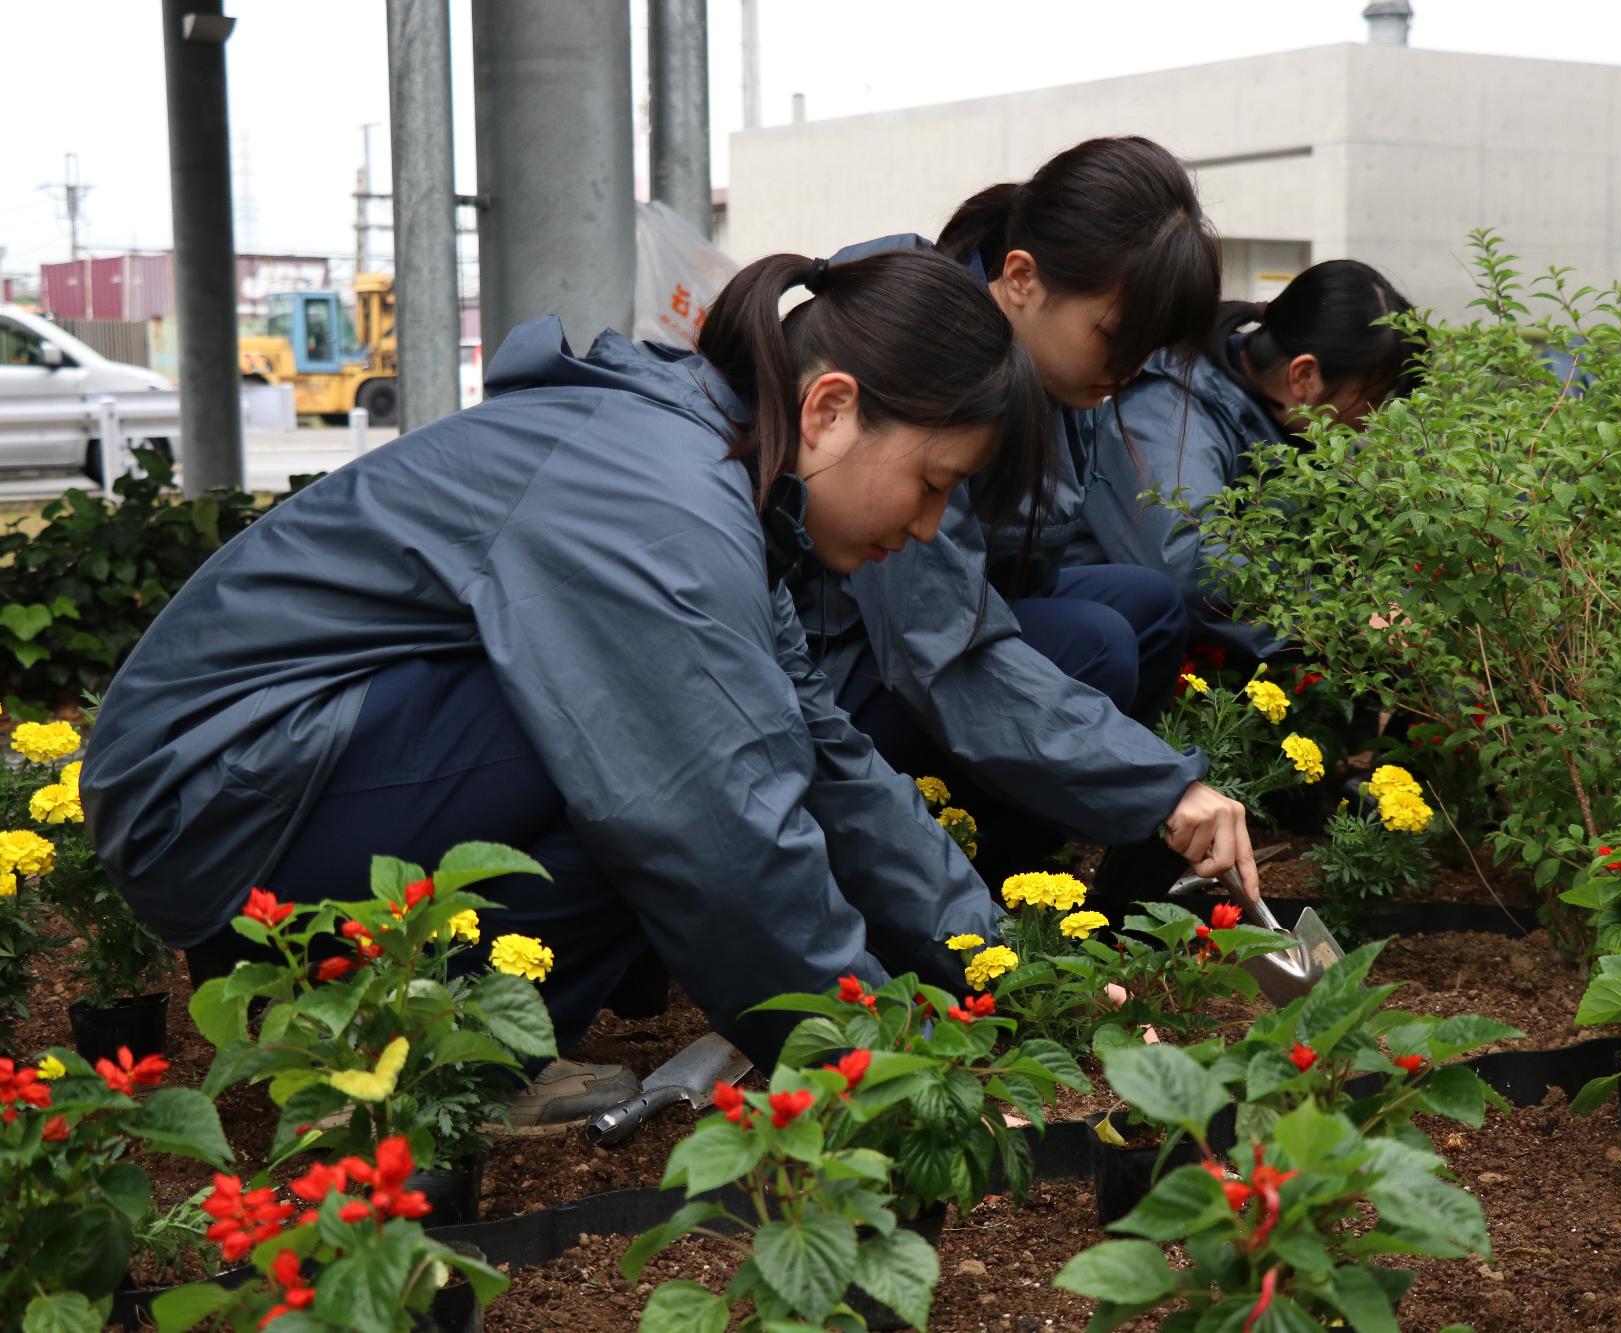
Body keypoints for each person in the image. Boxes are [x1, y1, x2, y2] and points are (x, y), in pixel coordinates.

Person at [80, 248, 1050, 1123]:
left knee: (711, 746)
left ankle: (442, 1055)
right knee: (664, 774)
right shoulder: (663, 498)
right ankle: (393, 1069)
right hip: (209, 800)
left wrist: (1000, 968)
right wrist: (876, 1072)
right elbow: (719, 836)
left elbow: (827, 754)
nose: (928, 528)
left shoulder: (715, 480)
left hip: (279, 784)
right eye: (932, 482)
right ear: (830, 408)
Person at [789, 136, 1262, 901]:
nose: (1126, 372)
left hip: (910, 638)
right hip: (841, 665)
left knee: (1143, 606)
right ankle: (994, 886)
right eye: (1114, 336)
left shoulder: (1045, 370)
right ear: (1022, 279)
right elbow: (938, 638)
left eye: (1146, 351)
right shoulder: (928, 361)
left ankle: (1054, 879)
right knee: (1096, 642)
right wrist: (1159, 786)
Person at [1070, 259, 1422, 667]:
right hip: (1109, 660)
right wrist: (1352, 616)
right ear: (1304, 376)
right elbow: (1188, 565)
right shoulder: (1166, 417)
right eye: (1372, 402)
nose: (1372, 423)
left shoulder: (1295, 424)